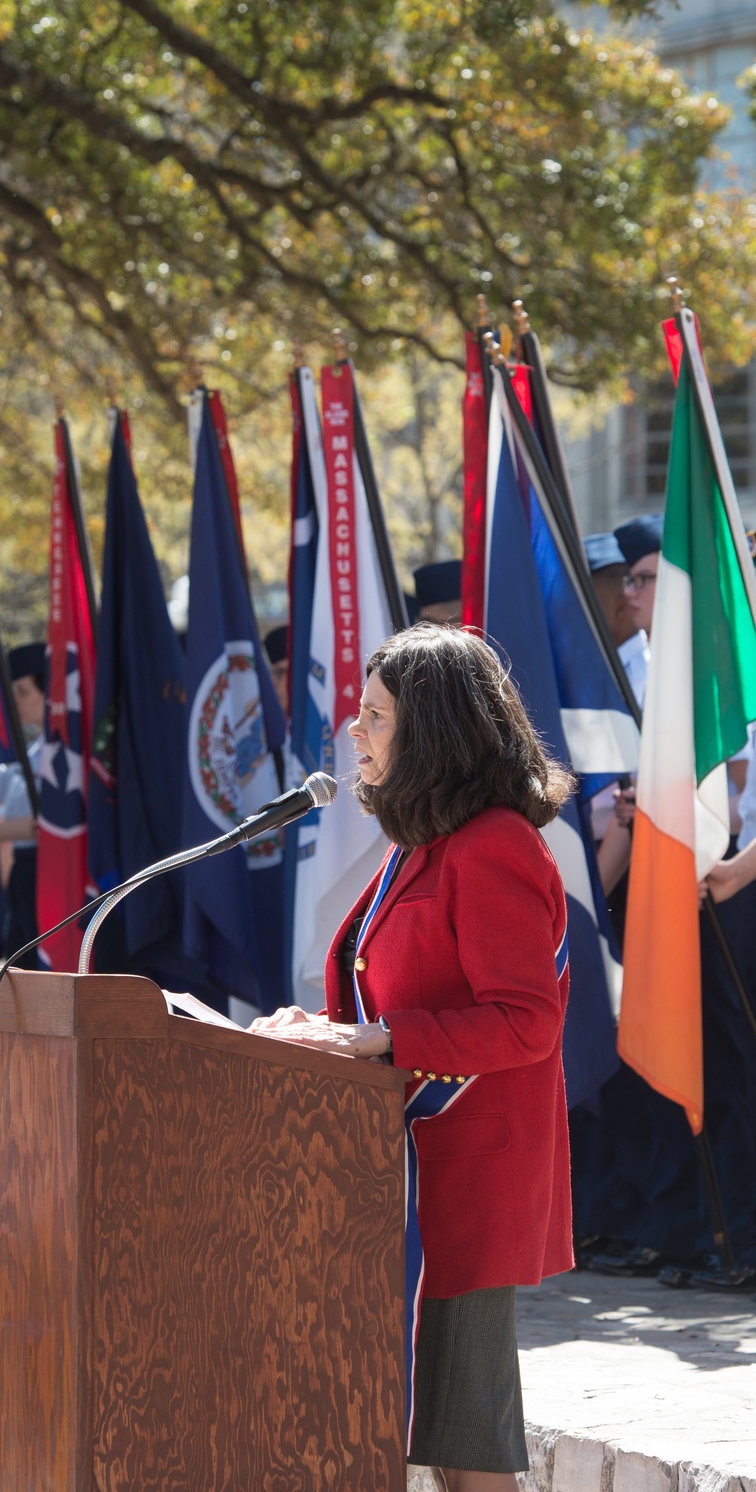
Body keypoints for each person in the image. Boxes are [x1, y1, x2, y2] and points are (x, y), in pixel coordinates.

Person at [252, 625, 574, 1486]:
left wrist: (390, 1038)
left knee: (467, 1451)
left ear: (432, 730)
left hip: (464, 1185)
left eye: (376, 717)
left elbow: (525, 1020)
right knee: (433, 1441)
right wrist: (325, 1032)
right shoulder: (424, 840)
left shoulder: (493, 845)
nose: (355, 733)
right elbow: (381, 988)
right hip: (393, 1175)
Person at [0, 642, 45, 967]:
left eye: (23, 691)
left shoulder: (59, 755)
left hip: (45, 873)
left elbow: (40, 826)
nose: (16, 701)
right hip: (23, 873)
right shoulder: (33, 751)